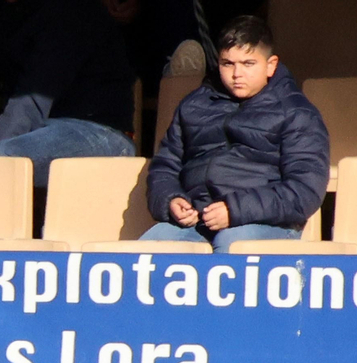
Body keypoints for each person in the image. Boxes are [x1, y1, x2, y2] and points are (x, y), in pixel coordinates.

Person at [140, 16, 329, 252]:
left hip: (265, 222)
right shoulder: (193, 105)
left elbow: (304, 190)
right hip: (196, 221)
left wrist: (235, 210)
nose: (237, 73)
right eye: (227, 64)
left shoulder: (296, 112)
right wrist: (171, 200)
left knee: (232, 246)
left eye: (248, 64)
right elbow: (165, 166)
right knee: (148, 249)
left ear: (271, 65)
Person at [0, 0, 137, 185]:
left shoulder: (72, 10)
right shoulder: (18, 12)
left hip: (102, 134)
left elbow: (32, 99)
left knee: (1, 159)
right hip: (41, 130)